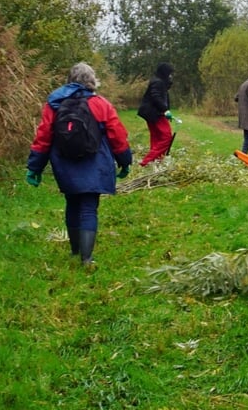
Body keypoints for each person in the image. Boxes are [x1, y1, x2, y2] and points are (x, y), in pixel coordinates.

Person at [25, 62, 134, 268]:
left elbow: (44, 137)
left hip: (64, 161)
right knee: (88, 207)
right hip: (94, 162)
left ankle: (75, 251)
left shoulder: (54, 104)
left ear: (70, 80)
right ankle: (87, 258)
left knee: (72, 202)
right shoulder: (101, 104)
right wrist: (125, 161)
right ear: (91, 81)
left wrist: (34, 167)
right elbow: (117, 134)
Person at [136, 62, 178, 166]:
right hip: (155, 113)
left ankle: (156, 161)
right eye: (169, 74)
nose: (171, 76)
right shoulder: (158, 83)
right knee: (167, 138)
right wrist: (165, 110)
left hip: (151, 113)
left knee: (156, 138)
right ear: (165, 73)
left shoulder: (158, 81)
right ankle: (146, 161)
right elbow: (156, 97)